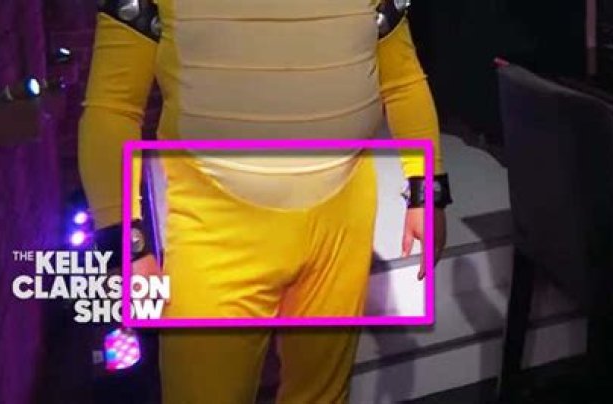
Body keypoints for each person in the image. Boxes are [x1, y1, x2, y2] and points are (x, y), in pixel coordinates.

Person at [78, 0, 452, 402]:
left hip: (341, 215)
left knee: (323, 396)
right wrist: (124, 239)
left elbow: (403, 81)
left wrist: (427, 188)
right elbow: (113, 107)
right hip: (217, 226)